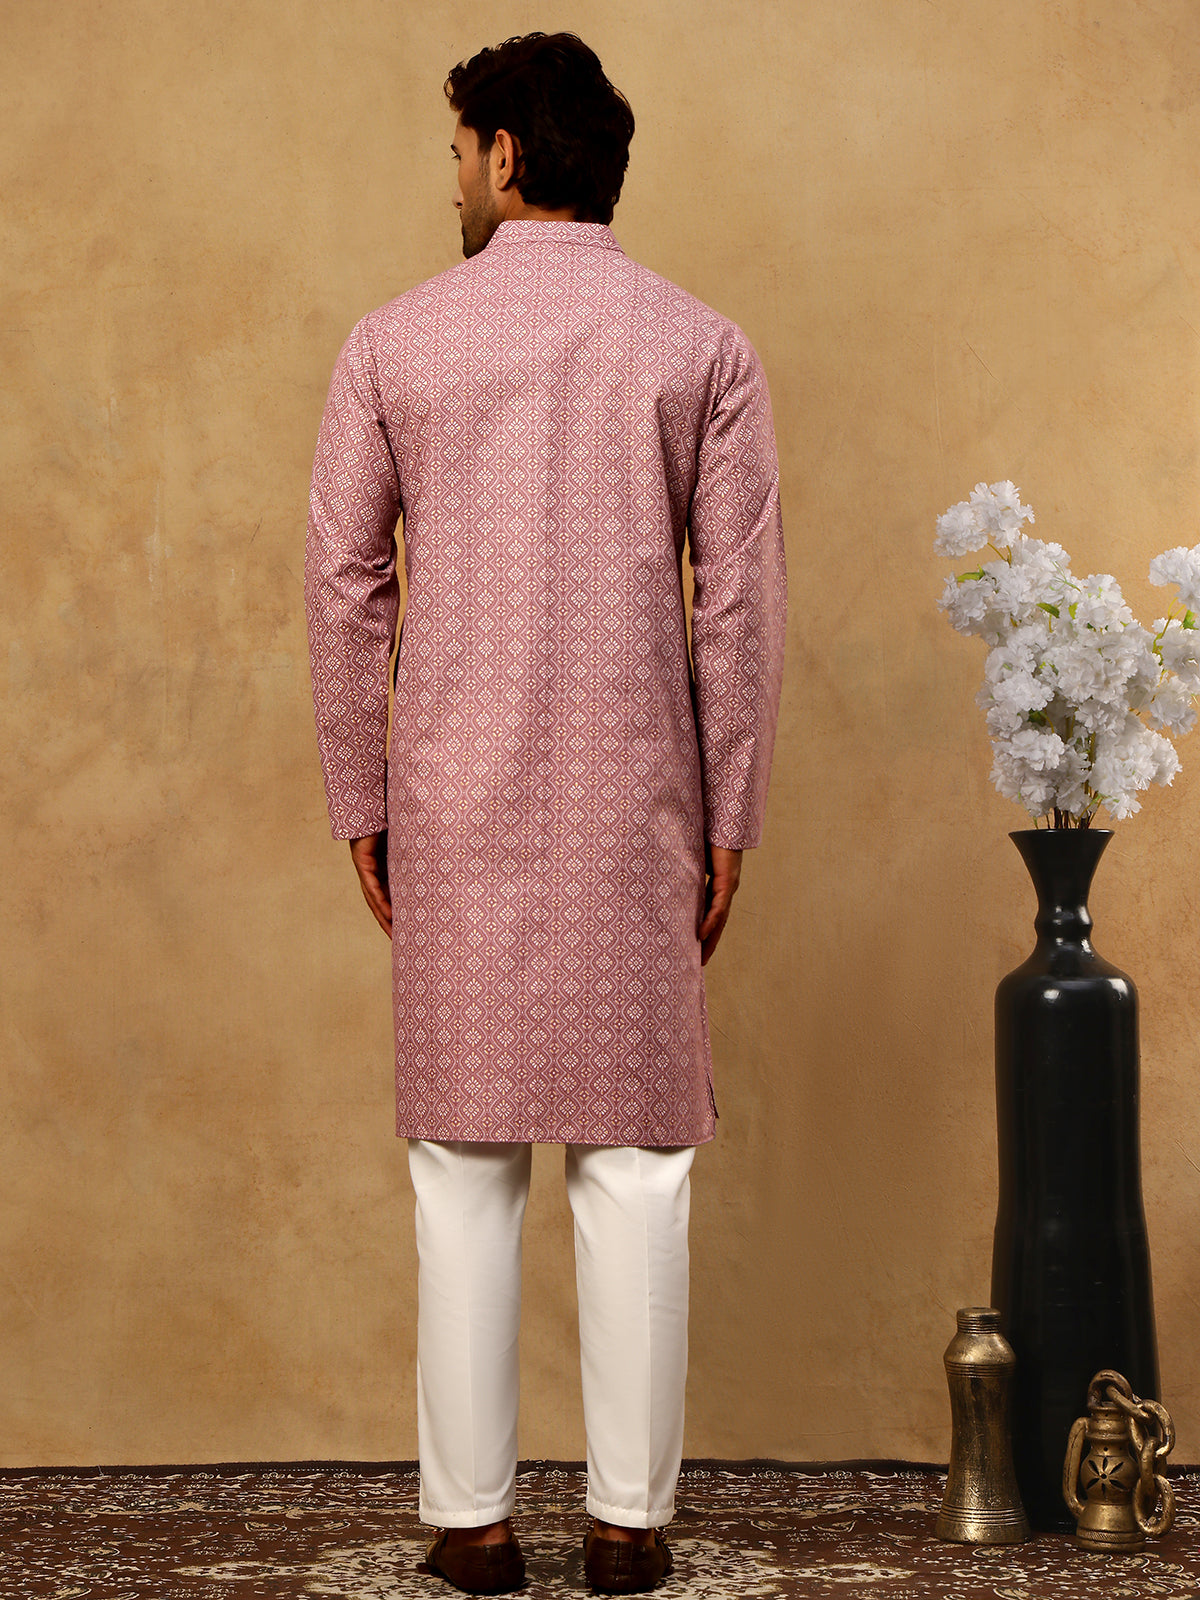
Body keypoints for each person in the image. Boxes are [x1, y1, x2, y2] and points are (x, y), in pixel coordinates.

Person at [305, 32, 786, 1596]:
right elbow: (739, 605)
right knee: (638, 1164)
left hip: (452, 803)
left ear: (508, 154)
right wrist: (732, 811)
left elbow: (344, 581)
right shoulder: (702, 347)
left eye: (458, 152)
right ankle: (630, 1525)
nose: (451, 179)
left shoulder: (394, 343)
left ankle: (472, 1525)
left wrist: (360, 790)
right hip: (644, 804)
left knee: (462, 1163)